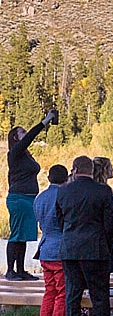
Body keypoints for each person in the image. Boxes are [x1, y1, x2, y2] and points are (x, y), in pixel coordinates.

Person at [56, 155, 113, 316]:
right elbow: (110, 224)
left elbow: (60, 220)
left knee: (72, 294)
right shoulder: (102, 191)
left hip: (70, 248)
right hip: (95, 248)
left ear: (74, 169)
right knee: (99, 294)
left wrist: (69, 237)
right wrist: (105, 243)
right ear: (91, 170)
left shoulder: (63, 191)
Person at [6, 109, 58, 280]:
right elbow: (29, 139)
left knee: (24, 236)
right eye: (22, 132)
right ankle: (10, 270)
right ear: (15, 137)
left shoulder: (24, 156)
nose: (25, 133)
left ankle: (20, 270)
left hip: (28, 198)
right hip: (19, 198)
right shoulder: (15, 153)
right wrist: (45, 121)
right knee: (16, 235)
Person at [33, 164, 67, 316]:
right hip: (61, 249)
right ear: (66, 178)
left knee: (49, 292)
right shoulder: (63, 195)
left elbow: (40, 223)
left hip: (45, 248)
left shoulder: (40, 197)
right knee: (62, 293)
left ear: (49, 178)